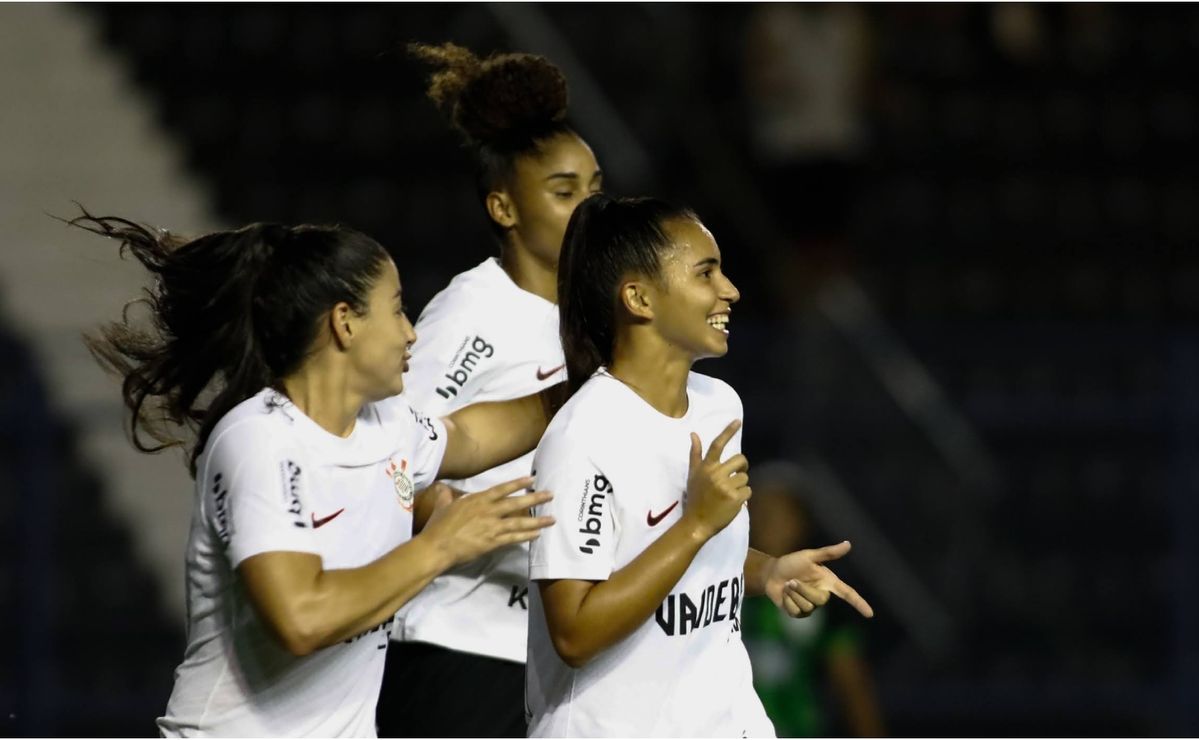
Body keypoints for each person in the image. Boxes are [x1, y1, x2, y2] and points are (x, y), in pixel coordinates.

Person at [73, 211, 560, 737]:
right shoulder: (259, 439)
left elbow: (470, 436)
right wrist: (440, 546)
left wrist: (588, 378)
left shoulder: (387, 424)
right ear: (344, 322)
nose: (411, 333)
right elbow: (301, 618)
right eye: (397, 310)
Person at [527, 194, 875, 737]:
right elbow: (574, 634)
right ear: (639, 298)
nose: (730, 290)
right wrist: (693, 525)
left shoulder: (719, 405)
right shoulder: (584, 436)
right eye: (706, 272)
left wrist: (768, 572)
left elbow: (707, 554)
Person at [377, 42, 602, 738]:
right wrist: (440, 509)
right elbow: (388, 455)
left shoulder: (599, 317)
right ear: (504, 206)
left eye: (595, 189)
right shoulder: (473, 314)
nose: (589, 208)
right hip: (457, 643)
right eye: (564, 193)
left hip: (556, 651)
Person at [742, 461, 886, 737]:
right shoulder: (720, 583)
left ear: (801, 521)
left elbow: (852, 685)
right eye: (758, 512)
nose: (766, 523)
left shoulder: (825, 596)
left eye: (778, 513)